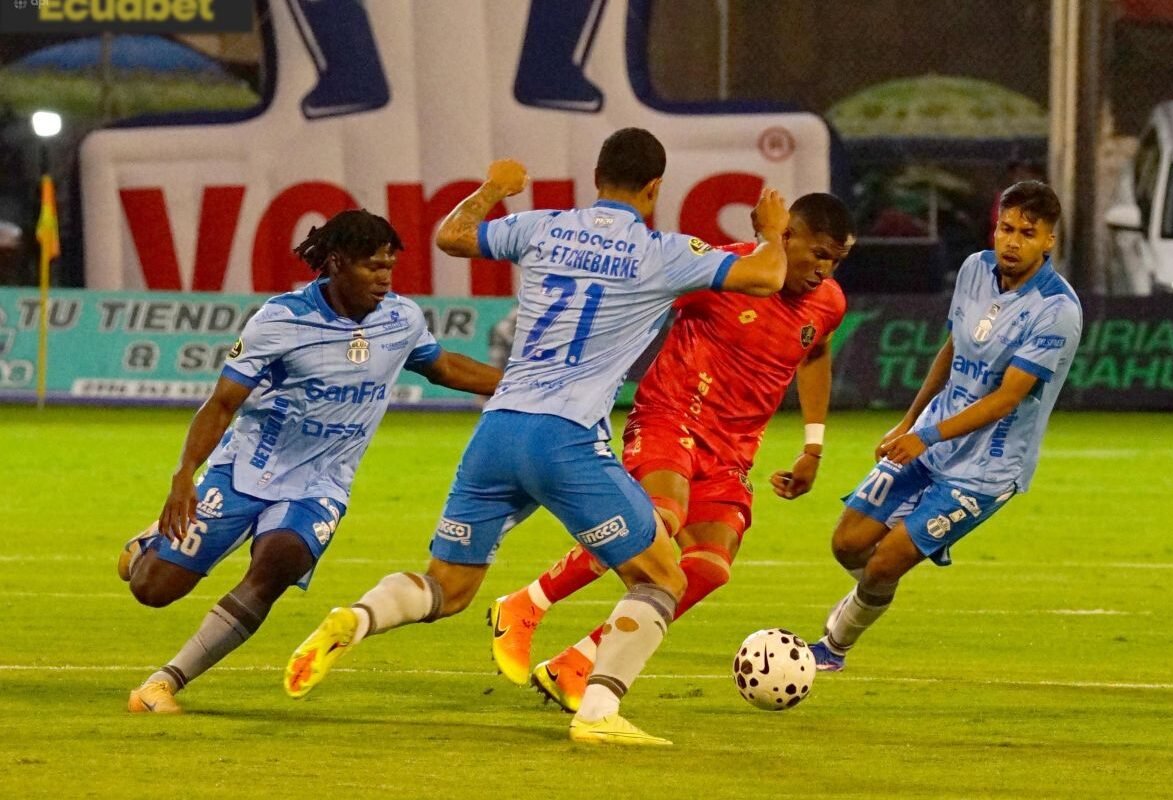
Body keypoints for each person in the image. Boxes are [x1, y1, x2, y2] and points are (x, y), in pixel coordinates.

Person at [284, 127, 792, 746]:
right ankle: (599, 714)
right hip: (566, 438)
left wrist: (492, 189)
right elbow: (767, 277)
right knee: (663, 576)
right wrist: (771, 228)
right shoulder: (663, 251)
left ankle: (358, 616)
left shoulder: (544, 226)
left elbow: (452, 235)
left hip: (497, 429)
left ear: (597, 177)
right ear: (655, 187)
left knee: (448, 587)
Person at [119, 209, 502, 713]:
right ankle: (149, 542)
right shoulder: (280, 321)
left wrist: (526, 386)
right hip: (244, 473)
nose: (385, 278)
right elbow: (222, 405)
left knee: (277, 566)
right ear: (337, 263)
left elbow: (444, 366)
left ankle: (164, 683)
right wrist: (183, 477)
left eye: (390, 266)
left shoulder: (401, 319)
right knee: (153, 589)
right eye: (372, 267)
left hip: (322, 485)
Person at [486, 193, 856, 713]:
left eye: (835, 260)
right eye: (817, 254)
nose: (823, 270)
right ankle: (528, 605)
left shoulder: (828, 303)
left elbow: (814, 353)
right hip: (670, 417)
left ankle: (580, 660)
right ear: (785, 235)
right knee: (658, 519)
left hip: (731, 453)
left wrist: (812, 446)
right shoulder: (724, 269)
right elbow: (639, 296)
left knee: (708, 566)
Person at [806, 180, 1081, 671]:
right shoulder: (976, 269)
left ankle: (834, 646)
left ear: (1049, 241)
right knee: (847, 543)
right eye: (1006, 228)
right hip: (929, 438)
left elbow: (1006, 398)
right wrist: (909, 421)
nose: (1012, 242)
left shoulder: (1057, 311)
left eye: (1027, 233)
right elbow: (953, 348)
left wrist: (925, 436)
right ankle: (871, 593)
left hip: (986, 468)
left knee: (886, 561)